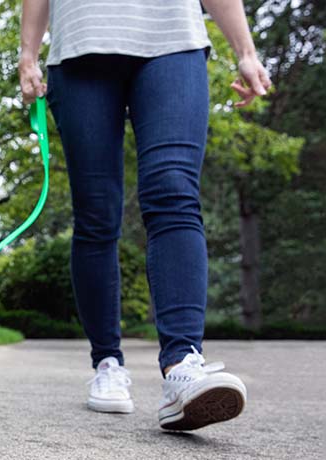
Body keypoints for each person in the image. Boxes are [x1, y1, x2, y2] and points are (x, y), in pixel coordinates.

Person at [18, 0, 270, 430]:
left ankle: (183, 364)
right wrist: (27, 54)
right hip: (81, 48)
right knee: (96, 214)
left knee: (173, 190)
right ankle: (107, 365)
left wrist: (245, 50)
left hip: (174, 43)